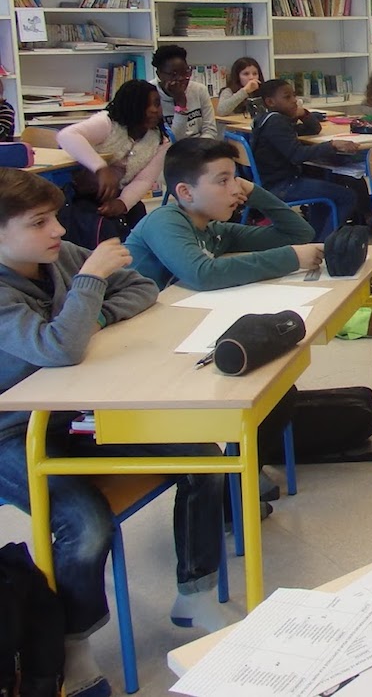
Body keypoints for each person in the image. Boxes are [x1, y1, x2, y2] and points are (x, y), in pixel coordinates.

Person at [0, 169, 230, 697]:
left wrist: (91, 320)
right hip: (13, 432)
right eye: (40, 222)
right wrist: (89, 287)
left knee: (203, 457)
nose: (58, 230)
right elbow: (56, 349)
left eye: (56, 216)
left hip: (74, 411)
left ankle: (194, 592)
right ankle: (75, 641)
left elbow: (144, 288)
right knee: (86, 524)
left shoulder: (53, 256)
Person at [125, 137, 321, 290]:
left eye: (235, 178)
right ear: (186, 192)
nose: (236, 189)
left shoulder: (214, 232)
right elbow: (203, 275)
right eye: (223, 181)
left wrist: (253, 191)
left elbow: (299, 234)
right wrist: (291, 258)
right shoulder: (163, 221)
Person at [56, 80, 169, 242]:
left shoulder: (159, 140)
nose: (154, 110)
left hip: (120, 195)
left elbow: (144, 180)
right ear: (129, 106)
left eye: (157, 105)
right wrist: (101, 168)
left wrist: (122, 203)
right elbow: (66, 136)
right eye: (146, 105)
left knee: (140, 219)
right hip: (82, 194)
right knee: (102, 228)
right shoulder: (107, 123)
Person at [252, 79, 363, 240]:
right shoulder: (276, 123)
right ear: (270, 102)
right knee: (348, 196)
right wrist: (331, 145)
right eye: (287, 97)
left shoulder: (269, 119)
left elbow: (313, 129)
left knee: (321, 184)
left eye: (294, 96)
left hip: (272, 183)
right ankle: (323, 244)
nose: (294, 101)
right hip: (281, 186)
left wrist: (303, 113)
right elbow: (297, 155)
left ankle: (314, 239)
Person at [153, 44, 218, 140]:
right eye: (173, 74)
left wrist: (201, 150)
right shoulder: (151, 94)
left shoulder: (199, 90)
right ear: (159, 74)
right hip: (170, 151)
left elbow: (210, 130)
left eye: (185, 72)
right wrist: (180, 104)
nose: (181, 78)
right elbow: (172, 141)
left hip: (200, 147)